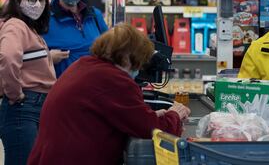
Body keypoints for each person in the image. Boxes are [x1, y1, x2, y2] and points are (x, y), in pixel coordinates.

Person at [28, 23, 190, 164]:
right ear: (127, 58)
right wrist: (174, 114)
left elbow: (119, 115)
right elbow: (152, 130)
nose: (139, 69)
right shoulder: (114, 79)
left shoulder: (85, 65)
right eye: (139, 63)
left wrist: (150, 115)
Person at [0, 0, 57, 165]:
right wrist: (14, 93)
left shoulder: (29, 28)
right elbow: (7, 58)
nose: (37, 4)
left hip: (35, 107)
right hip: (23, 108)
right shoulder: (15, 25)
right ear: (18, 0)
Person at [43, 0, 108, 77]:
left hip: (93, 87)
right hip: (61, 90)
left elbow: (109, 49)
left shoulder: (95, 15)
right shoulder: (44, 18)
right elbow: (28, 58)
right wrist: (46, 58)